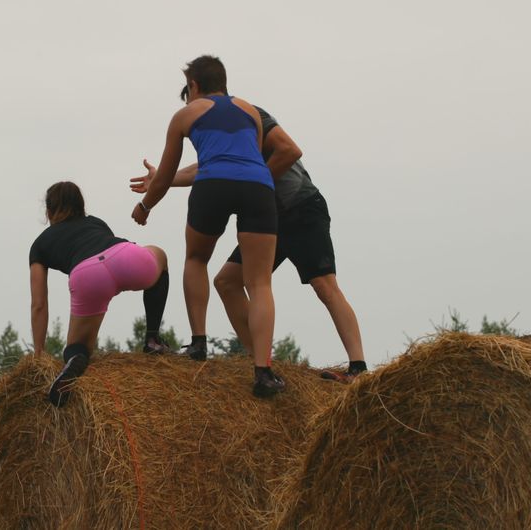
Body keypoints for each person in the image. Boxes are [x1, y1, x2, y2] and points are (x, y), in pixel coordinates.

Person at [131, 88, 368, 381]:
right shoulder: (220, 134)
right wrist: (162, 180)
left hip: (300, 206)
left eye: (191, 102)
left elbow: (290, 150)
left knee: (325, 285)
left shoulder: (249, 115)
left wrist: (259, 181)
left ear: (197, 94)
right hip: (268, 217)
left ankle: (359, 368)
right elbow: (207, 171)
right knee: (227, 281)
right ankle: (260, 362)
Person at [131, 55, 285, 398]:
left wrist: (145, 206)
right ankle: (263, 371)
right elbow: (245, 157)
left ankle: (198, 343)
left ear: (195, 86)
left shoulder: (185, 115)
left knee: (197, 259)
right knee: (260, 283)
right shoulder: (250, 112)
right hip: (259, 187)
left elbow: (167, 175)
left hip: (213, 186)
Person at [31, 181, 172, 407]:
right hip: (125, 255)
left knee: (77, 348)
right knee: (160, 256)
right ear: (81, 206)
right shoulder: (95, 222)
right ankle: (153, 339)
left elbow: (39, 304)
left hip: (87, 275)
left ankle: (75, 359)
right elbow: (108, 258)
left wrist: (39, 355)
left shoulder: (40, 244)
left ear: (48, 211)